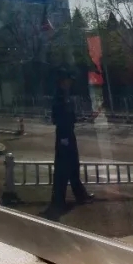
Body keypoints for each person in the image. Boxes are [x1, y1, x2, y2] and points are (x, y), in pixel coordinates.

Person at [45, 74, 93, 218]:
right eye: (68, 81)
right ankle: (58, 201)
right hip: (64, 135)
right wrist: (64, 138)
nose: (70, 83)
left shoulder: (65, 95)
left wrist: (78, 119)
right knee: (63, 169)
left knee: (73, 166)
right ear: (62, 82)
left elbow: (68, 116)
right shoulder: (59, 98)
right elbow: (58, 118)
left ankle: (80, 195)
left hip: (68, 133)